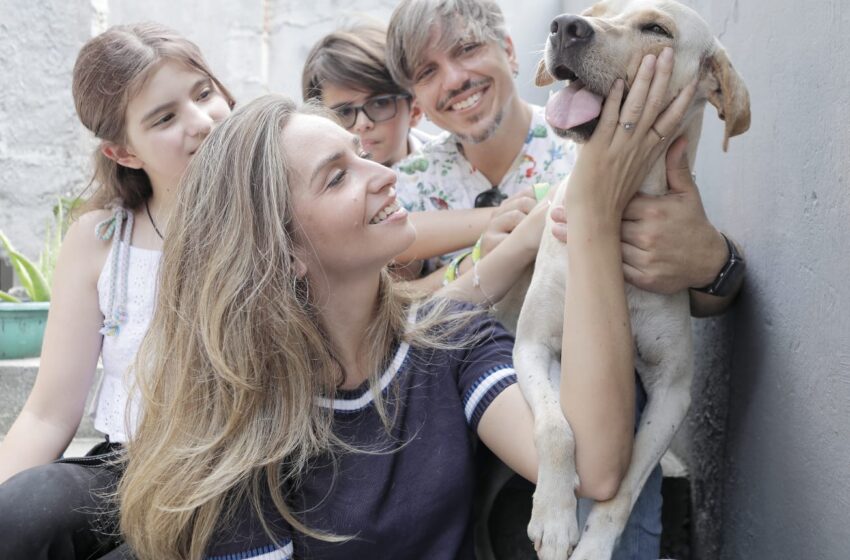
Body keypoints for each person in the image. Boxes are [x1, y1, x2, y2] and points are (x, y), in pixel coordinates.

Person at [115, 47, 694, 558]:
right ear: (282, 250)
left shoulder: (450, 339)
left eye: (359, 153)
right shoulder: (241, 432)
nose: (383, 175)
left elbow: (593, 469)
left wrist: (592, 200)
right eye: (337, 177)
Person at [384, 1, 746, 558]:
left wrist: (715, 262)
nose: (454, 80)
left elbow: (699, 300)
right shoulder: (403, 189)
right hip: (466, 408)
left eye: (466, 50)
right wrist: (492, 247)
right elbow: (379, 310)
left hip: (590, 420)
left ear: (510, 53)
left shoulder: (582, 140)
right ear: (417, 101)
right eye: (427, 72)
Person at [0, 23, 234, 558]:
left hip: (236, 470)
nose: (201, 122)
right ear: (124, 152)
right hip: (128, 464)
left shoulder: (274, 205)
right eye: (165, 118)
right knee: (20, 515)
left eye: (203, 93)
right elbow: (49, 413)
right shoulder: (102, 238)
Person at [302, 21, 500, 277]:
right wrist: (502, 218)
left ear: (415, 107)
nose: (363, 123)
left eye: (380, 103)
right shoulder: (321, 192)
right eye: (344, 112)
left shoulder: (456, 158)